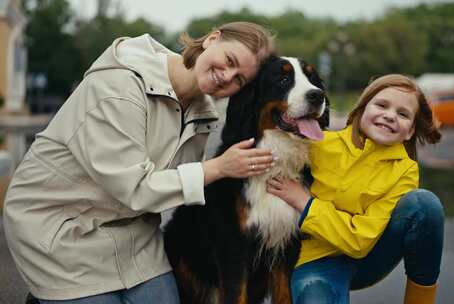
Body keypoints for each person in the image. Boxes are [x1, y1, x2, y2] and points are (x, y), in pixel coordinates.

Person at [3, 21, 276, 303]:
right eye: (229, 60)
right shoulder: (119, 86)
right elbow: (136, 188)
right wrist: (218, 168)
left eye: (239, 80)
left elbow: (177, 186)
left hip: (133, 233)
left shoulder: (203, 114)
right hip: (62, 227)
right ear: (212, 39)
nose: (226, 76)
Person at [267, 74, 444, 304]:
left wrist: (304, 202)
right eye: (381, 105)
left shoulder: (405, 170)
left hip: (369, 258)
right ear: (361, 110)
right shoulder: (319, 144)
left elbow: (360, 243)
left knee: (424, 205)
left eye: (403, 114)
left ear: (410, 131)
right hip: (314, 261)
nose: (390, 116)